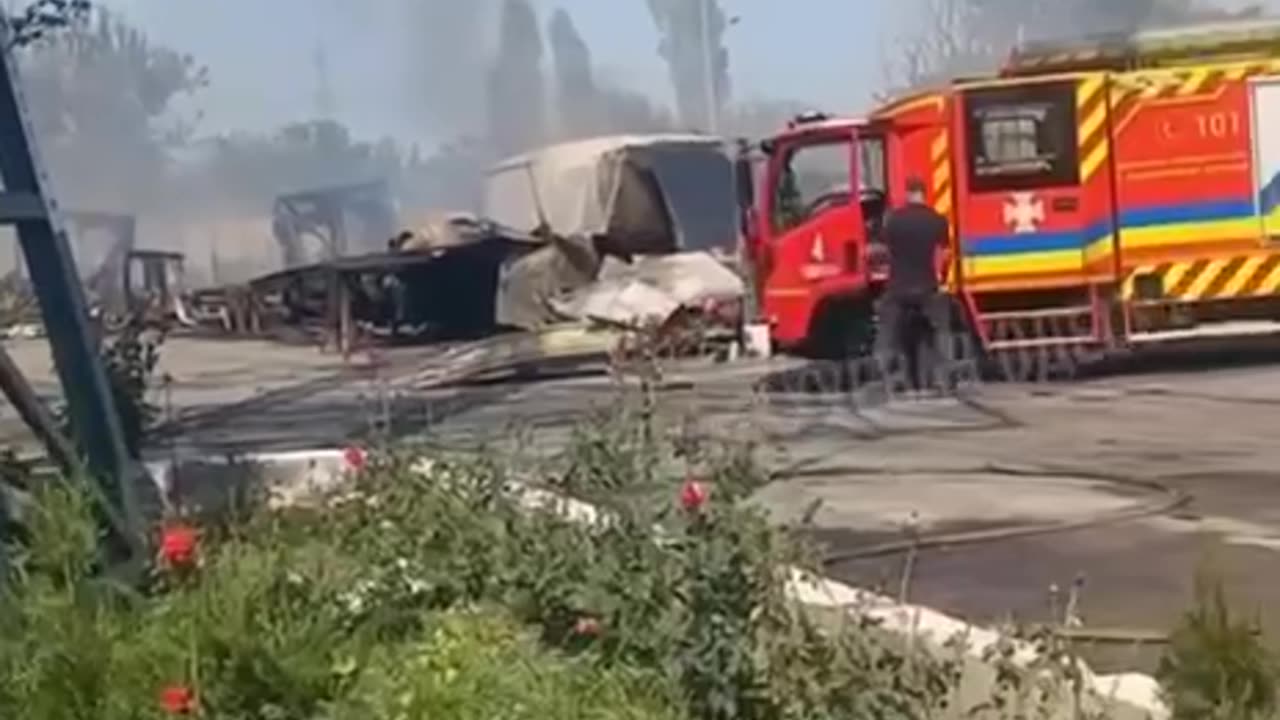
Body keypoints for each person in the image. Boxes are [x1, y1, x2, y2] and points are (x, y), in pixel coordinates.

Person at [876, 176, 952, 392]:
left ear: (908, 193)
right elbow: (946, 253)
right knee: (940, 332)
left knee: (889, 333)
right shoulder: (937, 220)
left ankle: (887, 378)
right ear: (924, 194)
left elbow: (883, 251)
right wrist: (942, 278)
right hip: (927, 286)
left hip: (898, 288)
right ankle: (941, 379)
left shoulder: (894, 220)